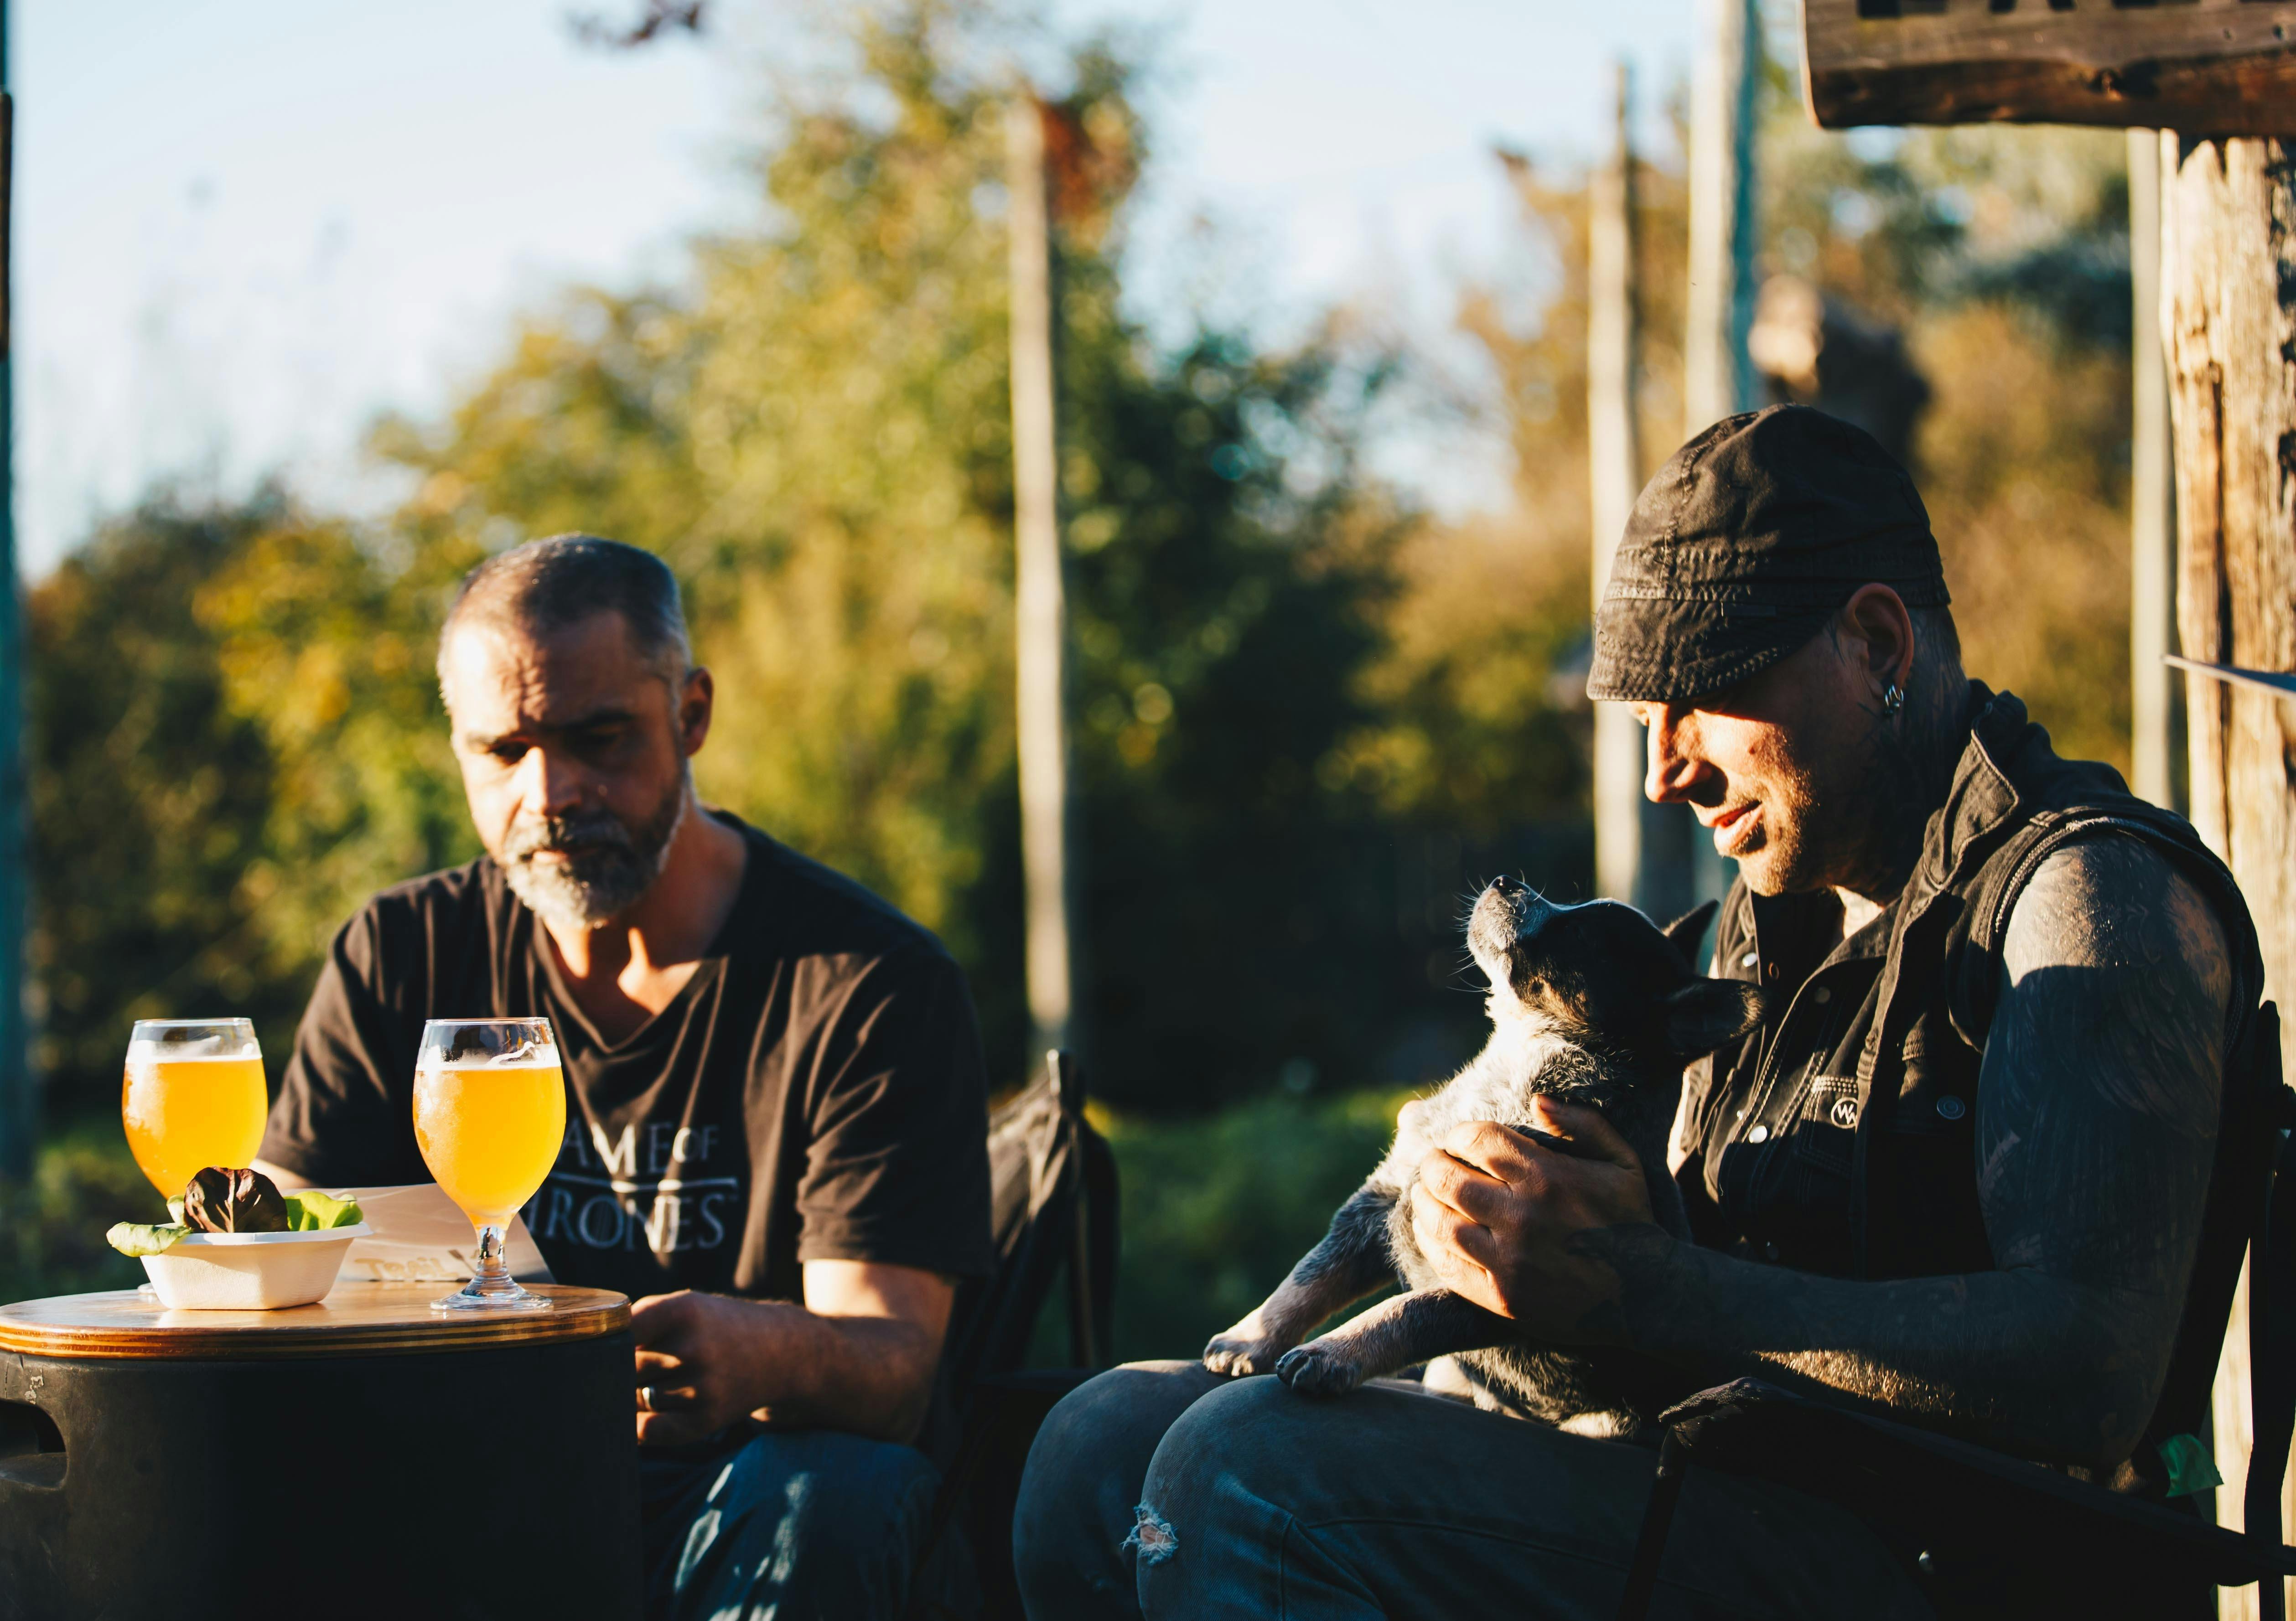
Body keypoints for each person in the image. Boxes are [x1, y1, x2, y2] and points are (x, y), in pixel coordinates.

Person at [1012, 404, 2265, 1620]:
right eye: (1645, 719)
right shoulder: (1754, 926)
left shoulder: (2087, 901)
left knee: (1240, 1473)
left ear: (1876, 644)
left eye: (1700, 698)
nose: (1665, 770)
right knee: (1099, 1443)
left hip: (1925, 1564)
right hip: (1687, 1485)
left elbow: (2089, 1365)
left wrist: (1654, 1289)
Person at [254, 534, 993, 1621]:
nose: (550, 792)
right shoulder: (400, 952)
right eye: (502, 750)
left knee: (837, 1489)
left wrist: (764, 1349)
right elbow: (276, 1264)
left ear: (691, 714)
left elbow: (895, 1368)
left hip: (741, 1497)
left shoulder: (864, 980)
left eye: (597, 738)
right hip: (460, 1485)